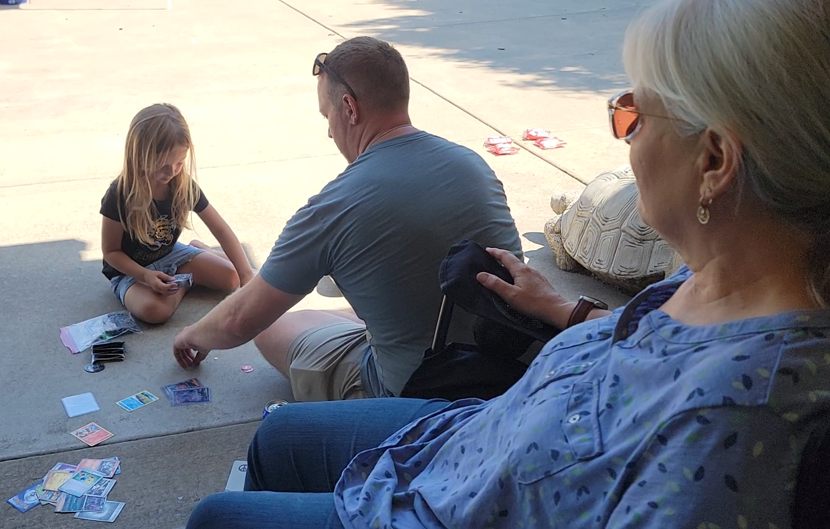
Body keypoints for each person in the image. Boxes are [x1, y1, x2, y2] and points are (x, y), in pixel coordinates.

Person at [184, 0, 830, 527]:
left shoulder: (734, 417)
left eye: (634, 113)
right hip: (479, 435)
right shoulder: (725, 273)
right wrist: (565, 310)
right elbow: (662, 345)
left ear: (714, 161)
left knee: (217, 516)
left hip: (466, 496)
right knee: (276, 437)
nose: (626, 136)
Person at [171, 37, 521, 401]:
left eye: (327, 116)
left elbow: (239, 320)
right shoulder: (473, 165)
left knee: (271, 327)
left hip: (414, 396)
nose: (329, 131)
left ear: (349, 108)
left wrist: (190, 335)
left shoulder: (335, 206)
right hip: (509, 376)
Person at [101, 103, 254, 324]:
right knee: (155, 311)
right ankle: (183, 279)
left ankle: (190, 263)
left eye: (179, 163)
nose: (172, 172)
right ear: (139, 156)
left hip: (170, 254)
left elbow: (221, 229)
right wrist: (145, 276)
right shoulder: (119, 193)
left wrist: (246, 275)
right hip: (130, 271)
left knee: (231, 278)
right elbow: (111, 252)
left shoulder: (182, 185)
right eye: (163, 165)